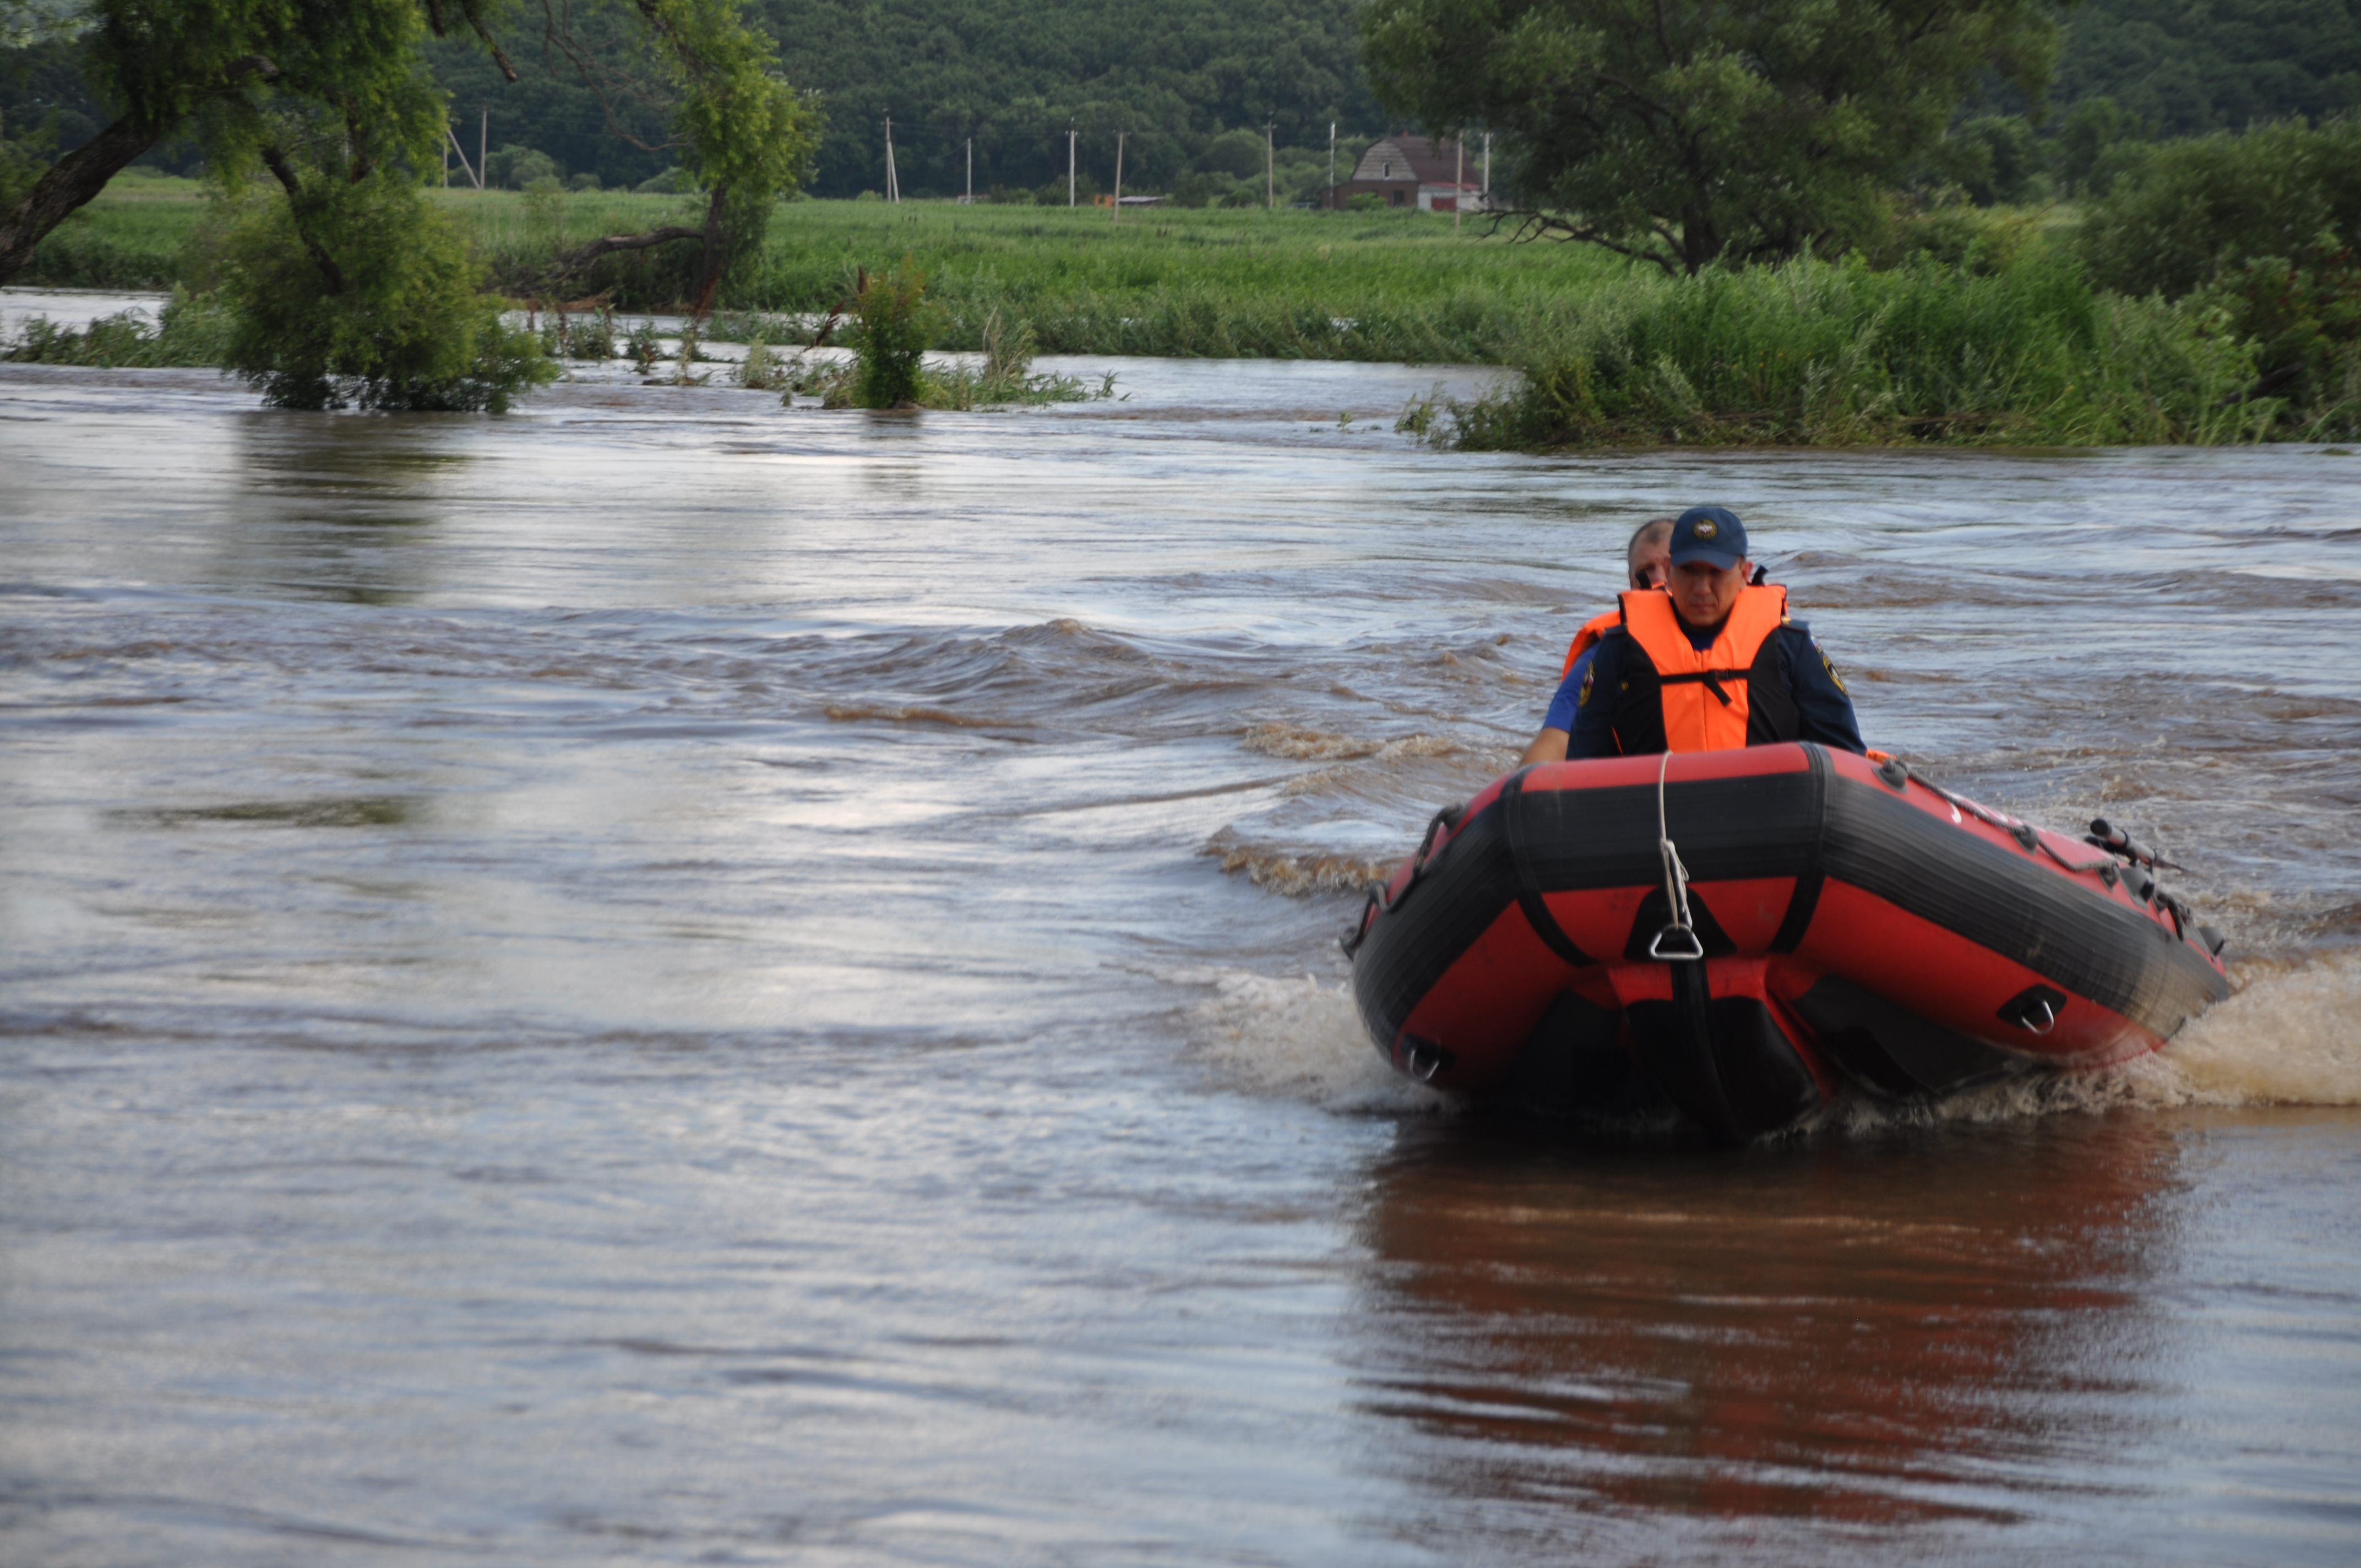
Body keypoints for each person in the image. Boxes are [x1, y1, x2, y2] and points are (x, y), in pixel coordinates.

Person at [1529, 506, 1865, 761]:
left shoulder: (1792, 646)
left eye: (1716, 573)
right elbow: (1583, 760)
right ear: (1671, 571)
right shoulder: (1618, 649)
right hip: (1655, 822)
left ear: (1745, 573)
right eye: (1689, 571)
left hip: (1770, 817)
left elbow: (1844, 755)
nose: (1701, 588)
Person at [1516, 518, 1673, 766]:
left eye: (1670, 566)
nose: (1658, 580)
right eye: (1646, 571)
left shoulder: (1752, 650)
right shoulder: (1605, 656)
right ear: (1632, 583)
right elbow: (1553, 744)